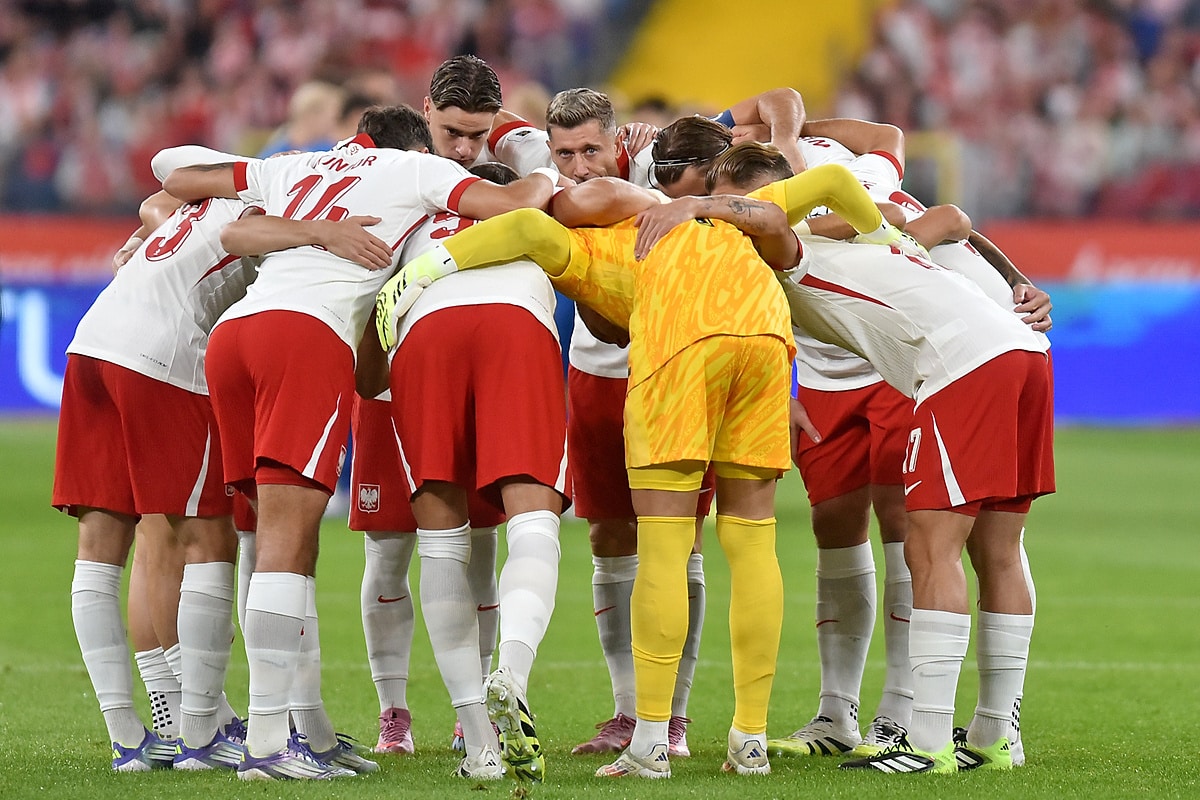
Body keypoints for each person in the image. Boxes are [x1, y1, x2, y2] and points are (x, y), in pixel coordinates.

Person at [377, 161, 907, 778]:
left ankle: (651, 742)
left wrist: (418, 274)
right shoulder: (736, 219)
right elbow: (836, 180)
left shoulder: (602, 242)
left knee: (664, 546)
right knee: (752, 543)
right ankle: (751, 740)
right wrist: (889, 239)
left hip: (679, 344)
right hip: (765, 338)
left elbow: (524, 225)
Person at [162, 104, 557, 781]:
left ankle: (302, 730)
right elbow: (517, 203)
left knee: (265, 539)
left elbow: (174, 175)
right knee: (289, 544)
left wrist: (313, 228)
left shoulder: (296, 164)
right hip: (303, 336)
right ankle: (267, 744)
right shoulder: (416, 170)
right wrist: (541, 159)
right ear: (420, 142)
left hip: (236, 334)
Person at [653, 111, 1048, 764]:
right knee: (998, 549)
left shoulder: (792, 241)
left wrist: (698, 205)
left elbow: (776, 213)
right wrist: (1015, 283)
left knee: (930, 547)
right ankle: (994, 735)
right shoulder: (865, 227)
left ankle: (927, 742)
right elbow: (942, 220)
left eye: (733, 204)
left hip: (961, 364)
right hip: (1020, 351)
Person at [51, 190, 268, 772]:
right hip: (162, 357)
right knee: (206, 537)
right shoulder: (270, 210)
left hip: (91, 344)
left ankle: (130, 739)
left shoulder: (204, 199)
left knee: (102, 547)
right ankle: (201, 733)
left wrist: (140, 233)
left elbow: (159, 193)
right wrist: (322, 235)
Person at [543, 87, 705, 758]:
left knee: (679, 542)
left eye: (591, 149)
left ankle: (674, 716)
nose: (579, 166)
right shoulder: (545, 186)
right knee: (608, 536)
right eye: (565, 153)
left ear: (617, 141)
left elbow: (742, 130)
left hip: (672, 371)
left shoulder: (659, 169)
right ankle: (625, 710)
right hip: (594, 377)